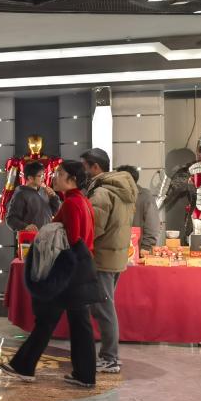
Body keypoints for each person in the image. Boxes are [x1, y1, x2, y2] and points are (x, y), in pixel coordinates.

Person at [0, 160, 99, 388]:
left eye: (60, 173)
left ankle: (24, 366)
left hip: (68, 271)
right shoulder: (81, 201)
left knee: (48, 320)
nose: (54, 176)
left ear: (72, 179)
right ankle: (84, 375)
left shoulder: (71, 203)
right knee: (77, 324)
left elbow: (71, 241)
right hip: (81, 268)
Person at [80, 148, 137, 375]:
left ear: (95, 167)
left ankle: (109, 358)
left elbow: (93, 228)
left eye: (85, 166)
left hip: (102, 257)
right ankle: (109, 356)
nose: (83, 171)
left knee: (104, 309)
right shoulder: (122, 189)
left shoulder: (102, 193)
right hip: (115, 255)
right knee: (104, 306)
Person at [5, 159, 60, 232]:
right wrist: (25, 227)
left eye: (44, 175)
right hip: (30, 237)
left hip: (47, 235)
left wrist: (54, 197)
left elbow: (54, 212)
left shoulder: (44, 191)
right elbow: (11, 219)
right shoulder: (21, 194)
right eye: (40, 176)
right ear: (30, 178)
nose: (43, 178)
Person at [117, 165, 160, 253]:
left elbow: (152, 224)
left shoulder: (145, 196)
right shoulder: (116, 195)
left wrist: (146, 246)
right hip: (117, 249)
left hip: (138, 249)